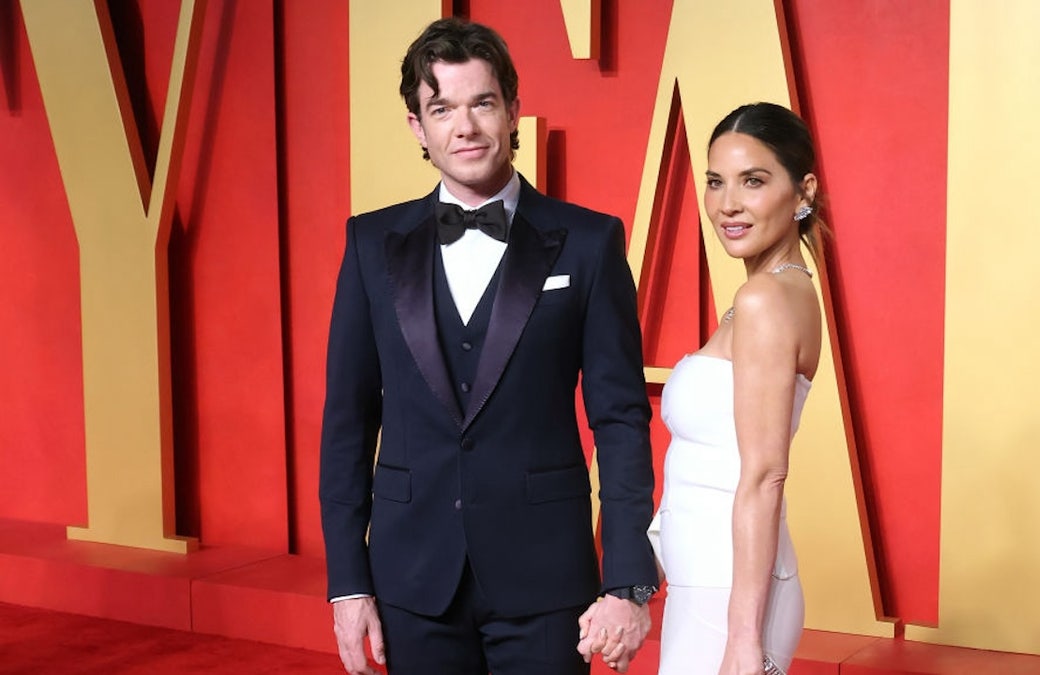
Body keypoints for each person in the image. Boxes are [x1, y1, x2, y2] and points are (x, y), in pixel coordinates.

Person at [318, 17, 658, 675]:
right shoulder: (371, 246)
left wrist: (625, 581)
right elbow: (347, 425)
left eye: (482, 102)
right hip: (412, 578)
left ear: (512, 111)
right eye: (441, 107)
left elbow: (620, 419)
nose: (464, 126)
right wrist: (347, 580)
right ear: (418, 126)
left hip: (548, 581)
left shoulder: (588, 243)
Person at [592, 102, 824, 674]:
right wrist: (639, 585)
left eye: (754, 181)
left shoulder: (766, 300)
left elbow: (764, 476)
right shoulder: (767, 294)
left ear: (803, 192)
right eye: (716, 182)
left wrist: (743, 641)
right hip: (708, 583)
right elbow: (702, 471)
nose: (728, 205)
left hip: (731, 595)